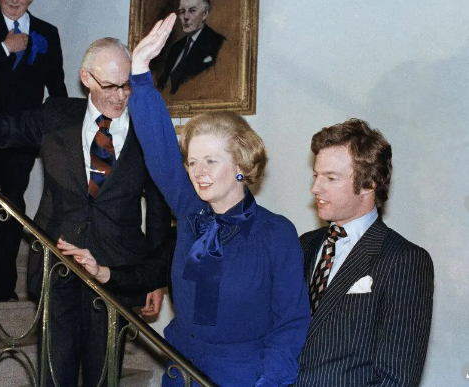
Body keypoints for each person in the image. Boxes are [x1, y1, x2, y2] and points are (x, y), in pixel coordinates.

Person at [0, 37, 171, 387]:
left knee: (104, 378)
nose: (121, 96)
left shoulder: (147, 130)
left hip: (116, 274)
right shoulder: (56, 114)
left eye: (127, 85)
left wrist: (155, 277)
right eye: (111, 85)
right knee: (54, 376)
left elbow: (160, 208)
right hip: (57, 270)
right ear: (86, 78)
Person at [119, 15, 310, 387]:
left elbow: (290, 323)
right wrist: (140, 73)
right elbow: (159, 150)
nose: (198, 172)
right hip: (180, 369)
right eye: (192, 161)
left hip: (243, 377)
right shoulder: (192, 211)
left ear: (240, 163)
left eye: (211, 161)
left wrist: (270, 382)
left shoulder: (276, 233)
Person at [294, 119, 434, 387]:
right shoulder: (304, 245)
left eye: (331, 178)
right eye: (316, 175)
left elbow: (397, 379)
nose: (315, 188)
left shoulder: (404, 260)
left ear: (369, 183)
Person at [0, 0, 68, 302]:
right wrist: (3, 49)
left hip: (23, 138)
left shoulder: (48, 33)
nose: (15, 0)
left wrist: (66, 130)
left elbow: (57, 84)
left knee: (13, 205)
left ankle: (3, 286)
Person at [156, 0, 225, 94]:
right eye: (182, 11)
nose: (186, 17)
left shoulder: (218, 43)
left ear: (204, 14)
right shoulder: (175, 48)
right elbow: (162, 85)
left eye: (192, 10)